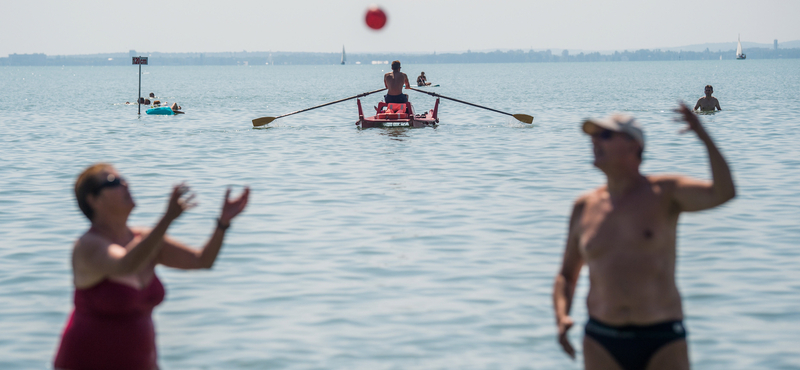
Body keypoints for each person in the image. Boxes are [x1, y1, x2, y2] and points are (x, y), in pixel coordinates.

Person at [552, 103, 735, 370]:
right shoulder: (584, 206)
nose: (593, 142)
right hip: (601, 338)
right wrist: (561, 317)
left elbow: (724, 192)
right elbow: (566, 275)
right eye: (592, 136)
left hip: (661, 337)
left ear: (633, 146)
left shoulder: (665, 192)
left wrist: (704, 136)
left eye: (604, 135)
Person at [53, 163, 249, 370]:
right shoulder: (88, 246)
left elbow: (201, 261)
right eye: (114, 182)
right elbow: (124, 264)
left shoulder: (146, 241)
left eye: (123, 179)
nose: (125, 184)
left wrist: (223, 222)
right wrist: (167, 219)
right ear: (93, 200)